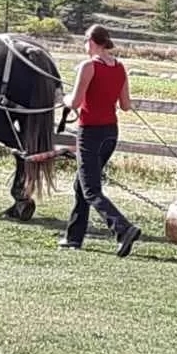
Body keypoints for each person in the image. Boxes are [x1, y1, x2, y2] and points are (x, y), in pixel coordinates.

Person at [60, 24, 142, 257]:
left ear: (91, 41)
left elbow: (74, 103)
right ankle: (73, 237)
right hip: (110, 133)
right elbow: (126, 105)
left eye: (85, 41)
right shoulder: (120, 67)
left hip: (90, 134)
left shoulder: (88, 66)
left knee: (91, 190)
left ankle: (123, 228)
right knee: (82, 184)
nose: (84, 46)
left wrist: (64, 98)